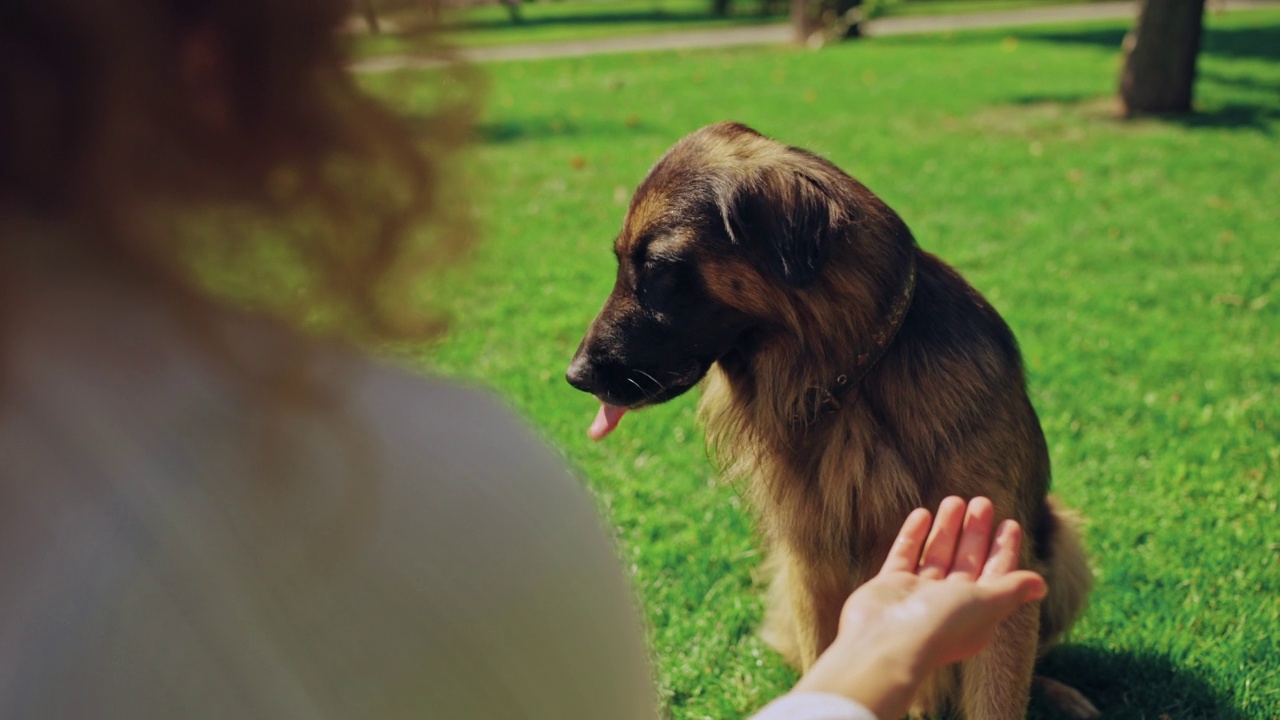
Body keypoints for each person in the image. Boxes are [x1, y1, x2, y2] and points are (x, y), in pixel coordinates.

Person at [0, 2, 1043, 718]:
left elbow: (1016, 563)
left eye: (661, 275)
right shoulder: (442, 492)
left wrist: (867, 667)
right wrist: (851, 676)